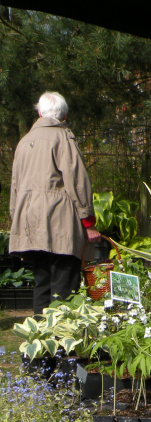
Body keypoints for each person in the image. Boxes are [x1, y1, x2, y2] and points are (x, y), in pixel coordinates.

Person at [9, 92, 100, 316]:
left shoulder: (23, 142)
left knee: (42, 281)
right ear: (65, 115)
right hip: (59, 221)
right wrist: (88, 222)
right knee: (64, 284)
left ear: (39, 113)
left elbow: (15, 186)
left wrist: (17, 219)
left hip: (29, 221)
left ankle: (40, 340)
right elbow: (77, 180)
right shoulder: (64, 138)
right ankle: (61, 342)